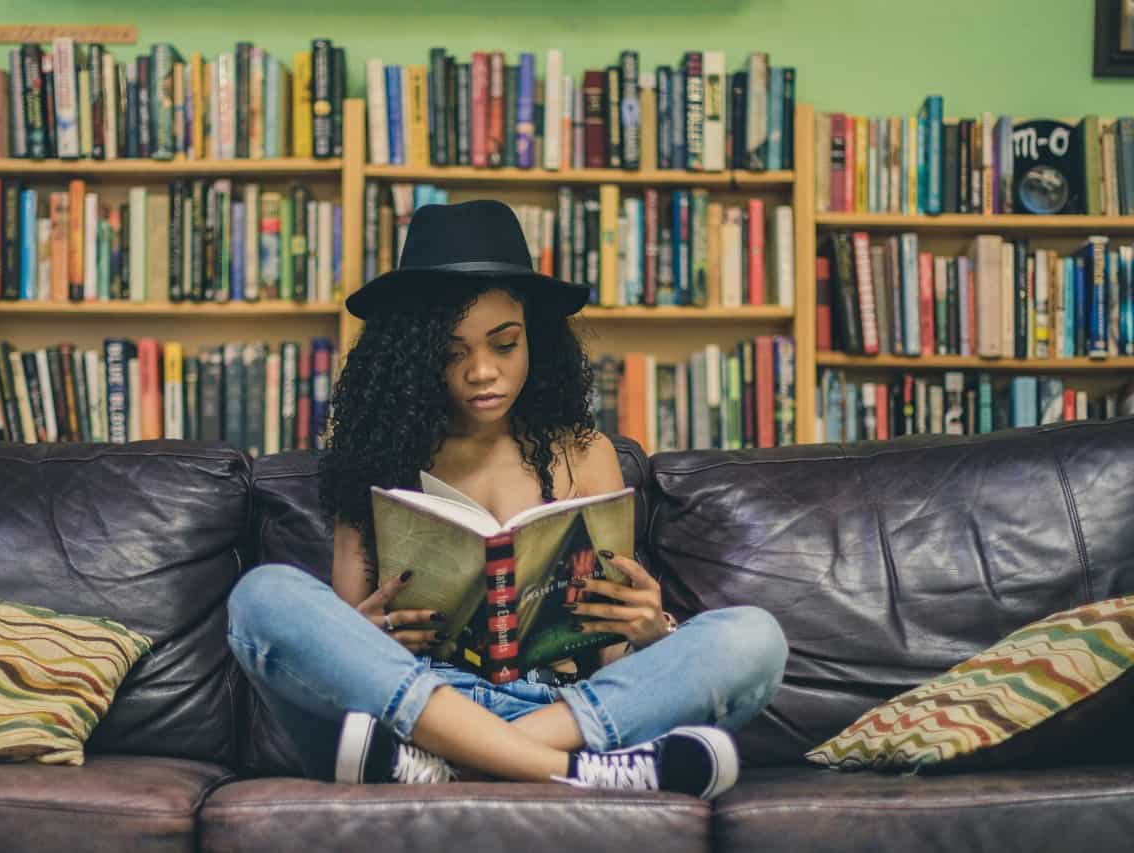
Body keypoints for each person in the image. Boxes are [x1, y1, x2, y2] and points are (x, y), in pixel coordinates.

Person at [226, 200, 788, 799]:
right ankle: (574, 773)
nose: (481, 372)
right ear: (414, 358)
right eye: (452, 352)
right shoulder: (370, 460)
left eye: (504, 344)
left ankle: (462, 763)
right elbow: (341, 653)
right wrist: (363, 633)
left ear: (535, 342)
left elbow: (612, 658)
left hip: (558, 708)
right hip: (411, 705)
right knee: (262, 598)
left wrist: (653, 630)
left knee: (755, 639)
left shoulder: (586, 453)